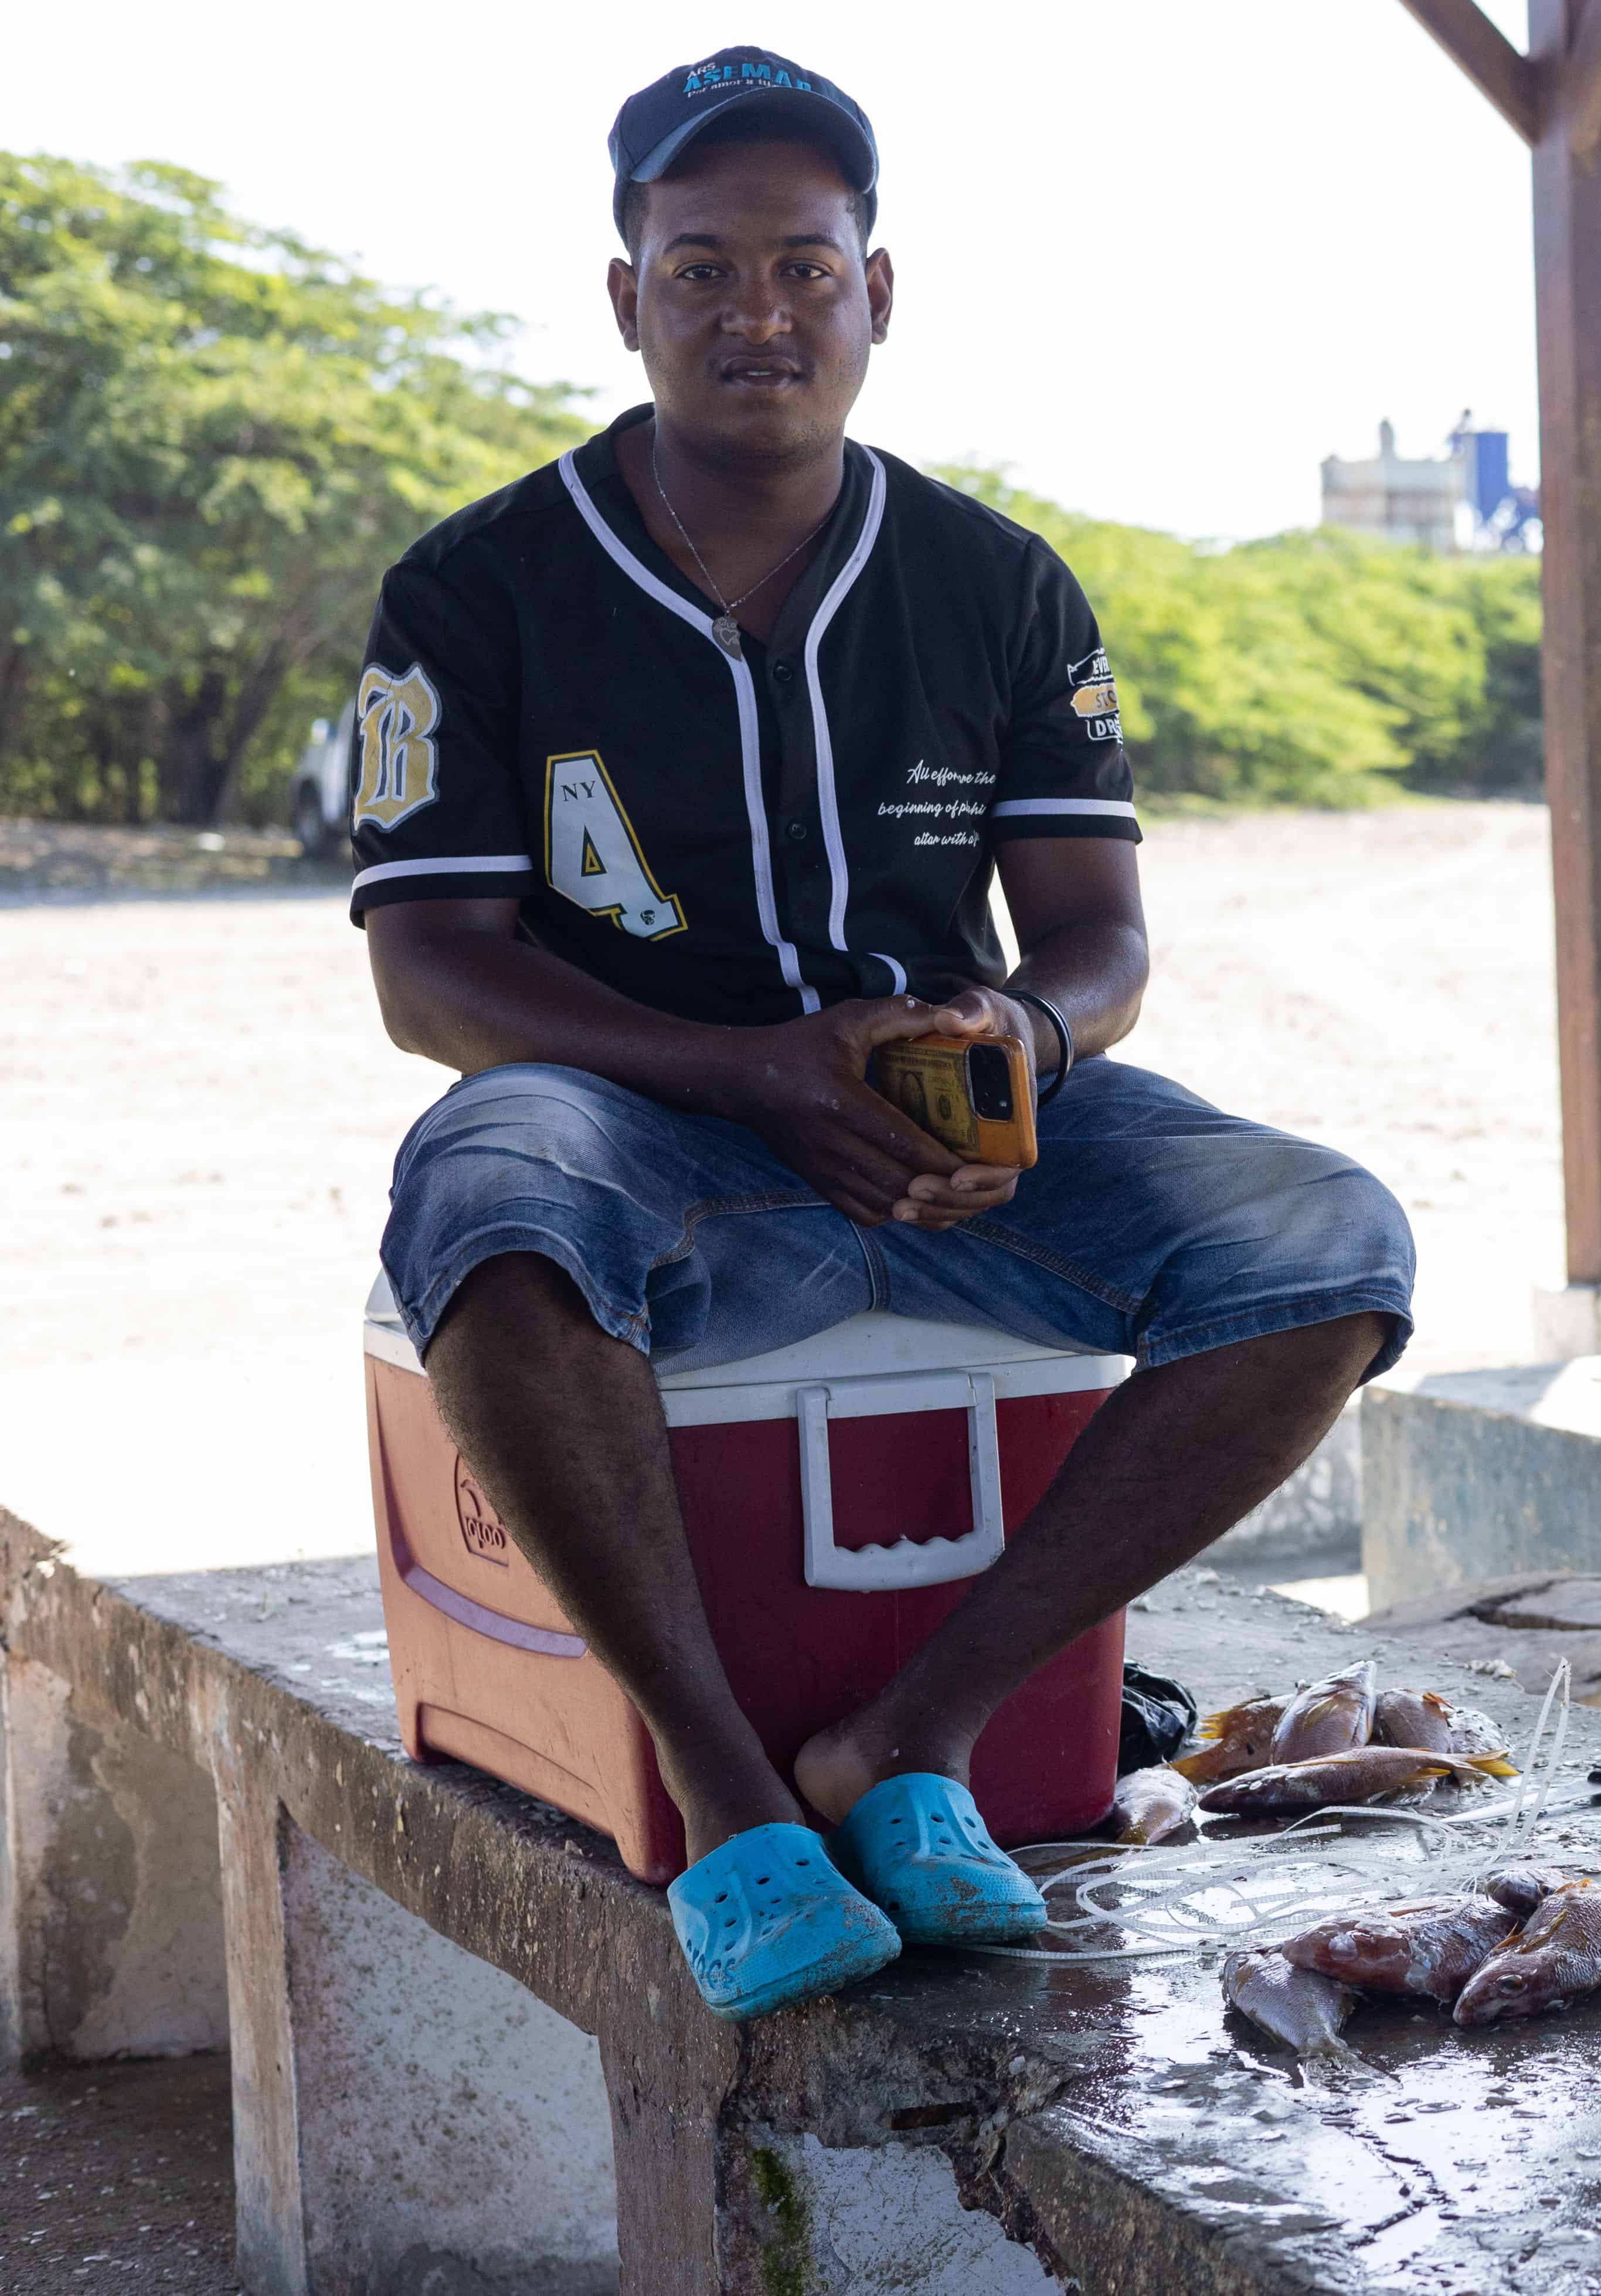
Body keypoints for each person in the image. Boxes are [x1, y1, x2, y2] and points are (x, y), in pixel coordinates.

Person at [344, 47, 1413, 2021]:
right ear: (626, 295)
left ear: (876, 291)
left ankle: (915, 1735)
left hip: (947, 1135)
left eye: (803, 269)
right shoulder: (477, 586)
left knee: (1328, 1244)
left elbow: (1096, 940)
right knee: (484, 1190)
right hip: (643, 1122)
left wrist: (1012, 1038)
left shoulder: (995, 581)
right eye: (702, 268)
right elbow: (431, 974)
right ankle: (730, 1792)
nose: (759, 314)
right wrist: (747, 1069)